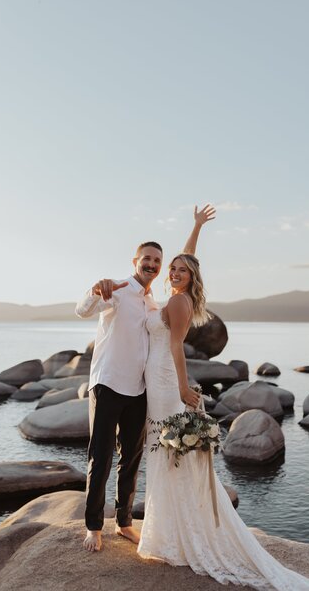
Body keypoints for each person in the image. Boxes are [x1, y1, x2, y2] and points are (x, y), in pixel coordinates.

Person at [137, 235, 309, 590]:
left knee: (168, 458)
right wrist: (195, 228)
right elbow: (187, 261)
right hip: (159, 382)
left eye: (183, 270)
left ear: (191, 278)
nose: (177, 272)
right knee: (166, 457)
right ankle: (172, 532)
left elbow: (177, 346)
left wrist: (182, 388)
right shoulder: (177, 295)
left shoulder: (178, 302)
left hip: (166, 385)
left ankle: (176, 537)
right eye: (174, 269)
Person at [75, 205, 216, 552]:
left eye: (158, 260)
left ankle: (124, 522)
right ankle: (93, 526)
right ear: (135, 260)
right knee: (101, 456)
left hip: (141, 389)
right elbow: (82, 310)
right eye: (147, 258)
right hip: (108, 383)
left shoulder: (157, 300)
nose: (152, 264)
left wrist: (196, 227)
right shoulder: (117, 289)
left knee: (132, 459)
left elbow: (187, 266)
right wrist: (95, 291)